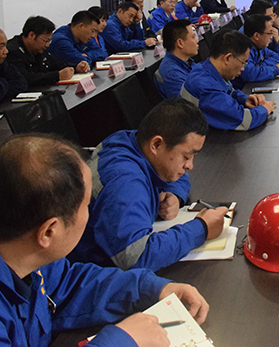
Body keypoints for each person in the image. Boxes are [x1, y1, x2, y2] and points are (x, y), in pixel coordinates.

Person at [0, 134, 209, 346]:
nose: (89, 213)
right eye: (86, 206)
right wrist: (122, 341)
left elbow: (65, 284)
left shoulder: (12, 238)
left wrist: (150, 288)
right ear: (48, 232)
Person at [70, 99, 228, 271]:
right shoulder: (124, 182)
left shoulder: (136, 142)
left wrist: (174, 194)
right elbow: (136, 257)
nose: (190, 166)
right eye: (186, 156)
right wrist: (201, 228)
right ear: (156, 144)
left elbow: (178, 174)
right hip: (95, 272)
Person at [181, 30, 276, 130]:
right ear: (228, 58)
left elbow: (228, 91)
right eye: (243, 63)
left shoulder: (205, 68)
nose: (243, 68)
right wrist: (265, 109)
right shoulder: (206, 87)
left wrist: (244, 99)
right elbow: (243, 120)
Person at [6, 16, 85, 87]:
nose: (47, 45)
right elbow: (26, 78)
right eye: (46, 40)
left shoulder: (38, 48)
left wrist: (75, 67)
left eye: (49, 41)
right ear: (31, 35)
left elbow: (54, 63)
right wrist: (57, 76)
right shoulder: (13, 51)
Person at [232, 15, 279, 90]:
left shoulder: (260, 46)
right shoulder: (243, 49)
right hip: (243, 90)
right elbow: (250, 74)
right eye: (269, 33)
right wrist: (276, 69)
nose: (271, 37)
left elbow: (275, 56)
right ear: (256, 36)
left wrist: (260, 66)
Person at [154, 19, 198, 99]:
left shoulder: (187, 62)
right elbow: (188, 103)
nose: (197, 41)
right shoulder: (172, 74)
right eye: (193, 37)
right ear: (180, 43)